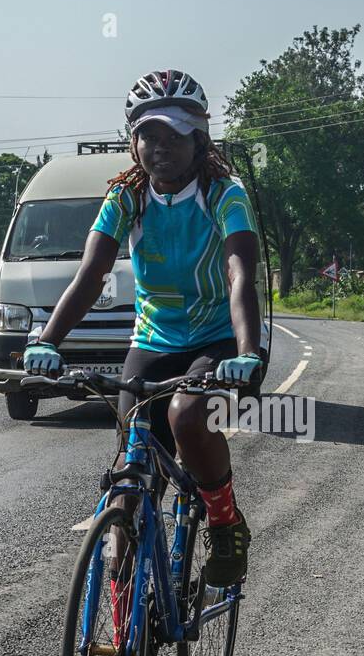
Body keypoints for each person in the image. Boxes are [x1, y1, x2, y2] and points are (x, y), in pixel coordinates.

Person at [23, 68, 261, 592]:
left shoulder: (225, 194)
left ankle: (224, 521)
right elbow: (90, 276)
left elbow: (240, 271)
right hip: (151, 344)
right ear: (133, 141)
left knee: (187, 416)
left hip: (217, 344)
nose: (160, 147)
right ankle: (116, 649)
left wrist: (249, 351)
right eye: (149, 135)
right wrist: (45, 341)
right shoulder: (126, 198)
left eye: (174, 134)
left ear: (199, 139)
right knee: (127, 492)